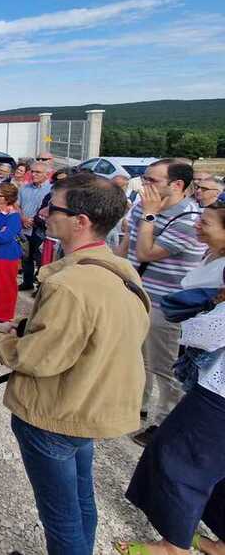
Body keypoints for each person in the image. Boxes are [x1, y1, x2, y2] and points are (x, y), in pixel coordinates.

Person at [0, 173, 148, 555]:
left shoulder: (69, 285)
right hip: (88, 405)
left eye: (54, 207)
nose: (44, 213)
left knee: (60, 517)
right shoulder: (120, 270)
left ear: (80, 221)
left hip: (55, 413)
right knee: (80, 503)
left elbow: (40, 358)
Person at [117, 200, 225, 555]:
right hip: (214, 380)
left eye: (206, 223)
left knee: (180, 457)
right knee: (215, 465)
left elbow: (206, 334)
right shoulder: (214, 260)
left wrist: (197, 310)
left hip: (218, 392)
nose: (198, 226)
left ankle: (173, 546)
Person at [119, 158, 206, 446]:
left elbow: (145, 252)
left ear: (177, 185)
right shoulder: (144, 209)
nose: (144, 185)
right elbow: (127, 245)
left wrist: (149, 216)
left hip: (164, 305)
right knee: (136, 358)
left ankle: (164, 421)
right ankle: (136, 407)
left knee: (164, 367)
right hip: (136, 295)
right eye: (144, 179)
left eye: (152, 181)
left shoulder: (189, 220)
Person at [0, 182, 23, 322]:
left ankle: (3, 315)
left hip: (6, 256)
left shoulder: (13, 217)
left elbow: (5, 237)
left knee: (5, 287)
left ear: (6, 199)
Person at [19, 162, 53, 291]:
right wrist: (23, 218)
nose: (34, 174)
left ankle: (40, 286)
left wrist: (36, 220)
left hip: (40, 230)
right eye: (32, 171)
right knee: (26, 257)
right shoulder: (24, 188)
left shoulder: (51, 190)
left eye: (37, 172)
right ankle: (27, 282)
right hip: (25, 228)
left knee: (41, 260)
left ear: (46, 174)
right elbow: (17, 205)